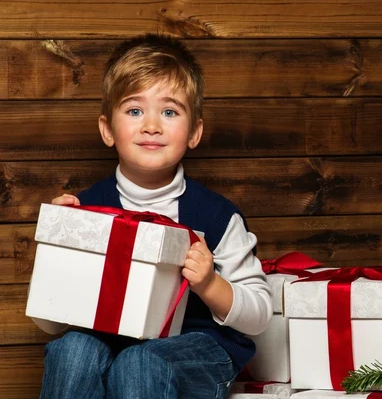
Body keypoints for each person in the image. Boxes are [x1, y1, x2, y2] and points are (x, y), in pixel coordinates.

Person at [38, 34, 273, 399]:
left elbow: (259, 315)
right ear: (107, 130)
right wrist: (59, 248)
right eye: (134, 111)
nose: (152, 125)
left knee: (141, 361)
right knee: (72, 351)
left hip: (197, 350)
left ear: (194, 132)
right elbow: (50, 323)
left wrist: (210, 285)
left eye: (169, 111)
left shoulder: (217, 216)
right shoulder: (86, 211)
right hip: (110, 342)